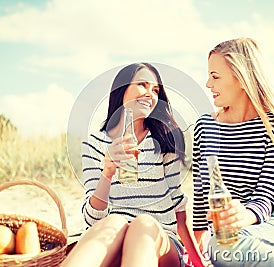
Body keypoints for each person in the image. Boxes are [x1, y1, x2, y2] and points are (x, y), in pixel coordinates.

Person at [192, 38, 274, 267]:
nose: (207, 84)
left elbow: (266, 195)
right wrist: (199, 234)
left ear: (241, 78)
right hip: (239, 235)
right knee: (223, 246)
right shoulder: (204, 126)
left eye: (215, 76)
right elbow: (202, 190)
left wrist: (244, 215)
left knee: (224, 248)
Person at [62, 63, 205, 267]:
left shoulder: (165, 142)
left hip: (160, 241)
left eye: (155, 90)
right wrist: (108, 173)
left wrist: (199, 262)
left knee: (142, 223)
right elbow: (93, 220)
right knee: (114, 222)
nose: (150, 94)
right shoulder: (94, 144)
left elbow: (179, 209)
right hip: (111, 240)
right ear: (121, 90)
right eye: (142, 85)